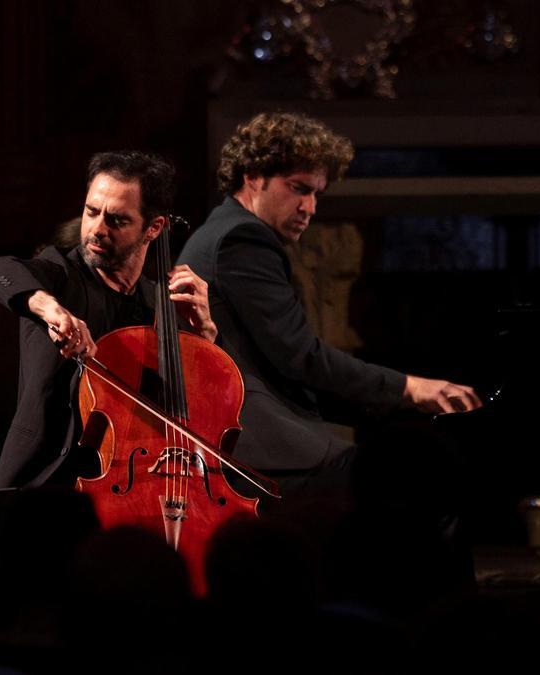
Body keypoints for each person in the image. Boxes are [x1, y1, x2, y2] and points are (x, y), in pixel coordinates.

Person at [178, 112, 482, 504]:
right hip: (251, 441)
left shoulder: (226, 230)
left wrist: (387, 405)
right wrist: (411, 388)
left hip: (250, 428)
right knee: (397, 484)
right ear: (253, 177)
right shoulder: (242, 238)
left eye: (317, 193)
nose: (310, 207)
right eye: (298, 188)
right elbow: (301, 357)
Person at [0, 151, 216, 488]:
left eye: (117, 220)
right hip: (47, 482)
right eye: (92, 212)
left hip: (137, 483)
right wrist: (50, 308)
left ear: (154, 228)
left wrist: (205, 333)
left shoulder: (161, 306)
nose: (97, 229)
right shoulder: (59, 275)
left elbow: (204, 406)